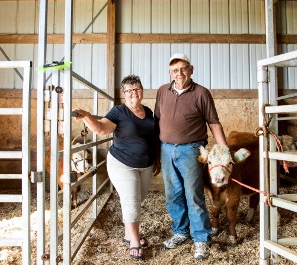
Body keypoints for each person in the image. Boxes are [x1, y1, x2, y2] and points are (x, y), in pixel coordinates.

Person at [73, 75, 160, 260]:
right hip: (122, 164)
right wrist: (87, 116)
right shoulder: (118, 112)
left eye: (137, 89)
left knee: (139, 198)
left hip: (145, 165)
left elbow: (153, 138)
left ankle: (129, 232)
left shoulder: (149, 112)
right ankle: (134, 241)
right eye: (129, 90)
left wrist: (156, 159)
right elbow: (102, 129)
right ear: (124, 94)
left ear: (142, 91)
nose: (133, 93)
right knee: (131, 201)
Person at [154, 53, 229, 260]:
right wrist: (156, 154)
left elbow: (213, 123)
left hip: (191, 149)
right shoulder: (162, 91)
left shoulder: (202, 93)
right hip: (167, 148)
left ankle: (201, 239)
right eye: (175, 70)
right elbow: (157, 121)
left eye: (183, 69)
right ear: (170, 73)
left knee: (193, 195)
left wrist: (224, 150)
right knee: (173, 195)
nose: (180, 74)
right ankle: (180, 231)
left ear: (191, 69)